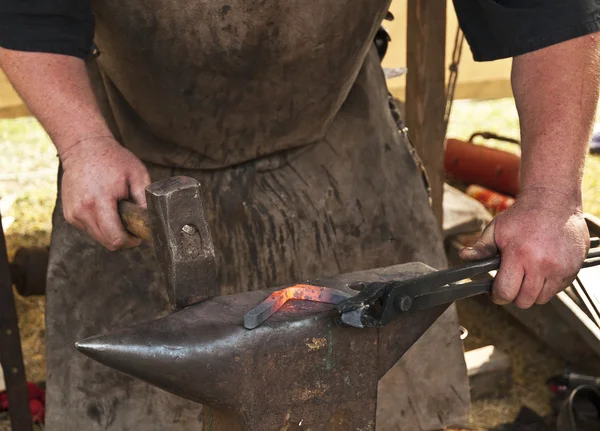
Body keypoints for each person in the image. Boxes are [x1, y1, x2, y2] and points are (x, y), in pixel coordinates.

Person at [0, 0, 598, 429]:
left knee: (397, 408)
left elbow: (546, 14)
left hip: (341, 138)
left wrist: (552, 197)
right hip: (134, 153)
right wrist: (82, 144)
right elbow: (28, 12)